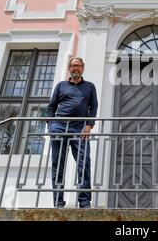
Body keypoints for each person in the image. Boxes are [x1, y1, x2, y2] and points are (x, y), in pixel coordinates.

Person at [46, 57, 98, 209]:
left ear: (83, 69)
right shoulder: (61, 86)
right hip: (60, 127)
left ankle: (84, 201)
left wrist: (89, 126)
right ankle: (58, 201)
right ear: (69, 69)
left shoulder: (90, 86)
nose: (76, 68)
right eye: (74, 66)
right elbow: (51, 107)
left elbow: (93, 107)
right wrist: (51, 125)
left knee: (84, 163)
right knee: (58, 164)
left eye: (79, 66)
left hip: (80, 129)